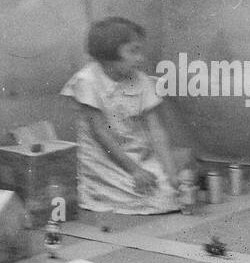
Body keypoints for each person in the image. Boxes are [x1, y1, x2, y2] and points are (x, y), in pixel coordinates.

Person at [60, 17, 179, 215]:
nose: (140, 58)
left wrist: (171, 172)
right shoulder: (87, 81)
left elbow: (156, 129)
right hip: (104, 160)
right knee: (156, 197)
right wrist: (134, 170)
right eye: (133, 51)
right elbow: (100, 133)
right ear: (108, 54)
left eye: (140, 50)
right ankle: (100, 193)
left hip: (138, 154)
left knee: (172, 192)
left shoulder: (140, 80)